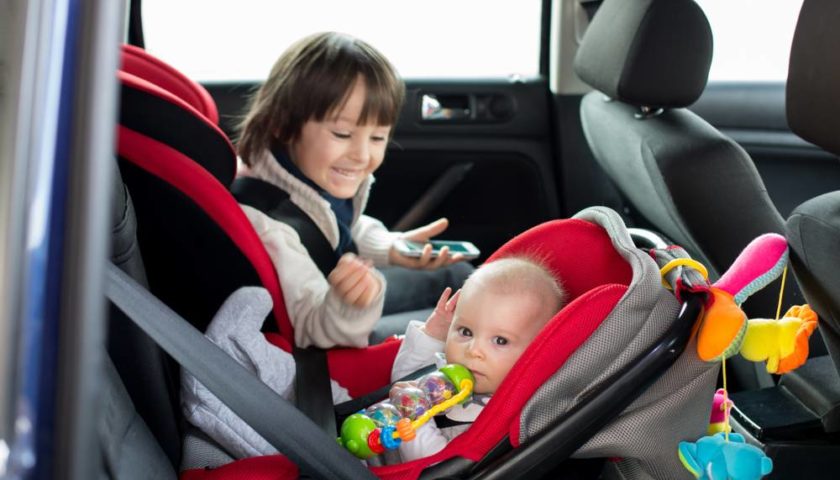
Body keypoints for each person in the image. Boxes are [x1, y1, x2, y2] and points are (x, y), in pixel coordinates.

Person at [236, 32, 471, 349]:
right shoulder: (272, 226)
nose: (362, 155)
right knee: (469, 324)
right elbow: (311, 330)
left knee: (457, 275)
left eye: (377, 138)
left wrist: (390, 247)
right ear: (282, 123)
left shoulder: (303, 177)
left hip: (342, 297)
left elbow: (336, 224)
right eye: (343, 133)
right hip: (334, 337)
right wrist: (350, 306)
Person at [389, 256, 567, 462]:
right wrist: (432, 335)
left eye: (500, 340)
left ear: (536, 354)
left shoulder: (503, 419)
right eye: (465, 331)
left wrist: (412, 416)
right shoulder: (449, 372)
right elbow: (403, 381)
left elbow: (437, 466)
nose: (473, 350)